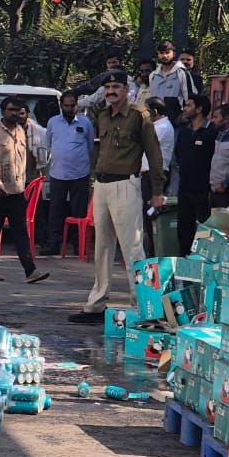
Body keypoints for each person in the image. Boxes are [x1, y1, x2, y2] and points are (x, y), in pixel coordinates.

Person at [68, 71, 165, 324]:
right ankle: (96, 305)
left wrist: (157, 192)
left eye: (116, 87)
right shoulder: (102, 115)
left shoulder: (138, 116)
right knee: (101, 247)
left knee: (132, 248)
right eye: (108, 87)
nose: (111, 91)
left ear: (127, 90)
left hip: (126, 184)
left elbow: (154, 155)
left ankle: (143, 307)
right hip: (101, 184)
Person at [0, 97, 50, 285]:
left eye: (18, 110)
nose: (14, 113)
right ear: (3, 112)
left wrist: (25, 184)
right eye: (11, 110)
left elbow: (24, 162)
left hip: (17, 191)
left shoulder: (21, 131)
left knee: (21, 232)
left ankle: (30, 271)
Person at [41, 91, 93, 257]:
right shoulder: (53, 122)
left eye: (72, 105)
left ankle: (79, 244)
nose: (69, 109)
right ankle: (54, 244)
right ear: (61, 106)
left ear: (77, 105)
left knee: (79, 211)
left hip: (80, 174)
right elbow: (49, 144)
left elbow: (90, 145)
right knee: (55, 210)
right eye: (66, 106)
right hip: (58, 173)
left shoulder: (85, 123)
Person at [174, 93, 215, 254]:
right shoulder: (184, 132)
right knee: (183, 230)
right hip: (184, 188)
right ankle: (183, 266)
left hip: (204, 190)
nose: (185, 108)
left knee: (204, 231)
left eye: (189, 105)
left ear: (199, 109)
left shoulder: (211, 132)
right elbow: (178, 155)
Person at [140, 97, 176, 256]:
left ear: (154, 112)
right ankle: (150, 249)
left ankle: (154, 251)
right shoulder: (155, 126)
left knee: (152, 211)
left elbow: (143, 142)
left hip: (155, 175)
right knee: (146, 212)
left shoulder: (162, 127)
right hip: (146, 174)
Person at [149, 40, 190, 117]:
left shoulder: (181, 73)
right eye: (161, 53)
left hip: (176, 120)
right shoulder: (153, 76)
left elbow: (189, 97)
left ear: (174, 53)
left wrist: (184, 117)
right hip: (156, 120)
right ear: (158, 54)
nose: (164, 56)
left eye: (167, 52)